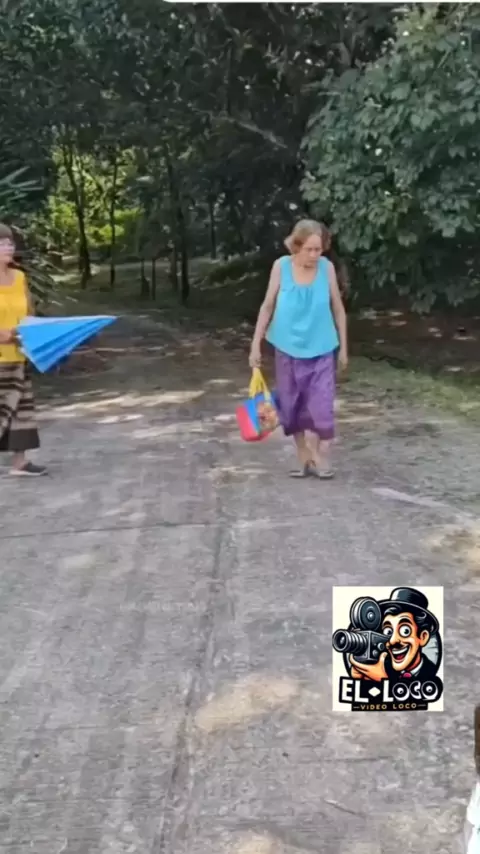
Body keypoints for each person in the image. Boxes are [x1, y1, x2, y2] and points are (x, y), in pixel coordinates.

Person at [249, 219, 348, 478]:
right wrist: (255, 344)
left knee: (322, 406)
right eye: (309, 249)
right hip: (287, 349)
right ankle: (304, 456)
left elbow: (338, 308)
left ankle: (320, 455)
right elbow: (267, 306)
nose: (315, 255)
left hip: (322, 349)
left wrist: (344, 348)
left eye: (319, 249)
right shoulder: (281, 267)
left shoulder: (326, 268)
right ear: (296, 246)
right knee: (291, 406)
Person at [0, 224, 46, 476]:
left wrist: (26, 332)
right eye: (2, 243)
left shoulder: (19, 277)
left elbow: (29, 312)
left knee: (21, 409)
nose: (9, 247)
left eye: (10, 243)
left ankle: (20, 463)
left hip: (18, 353)